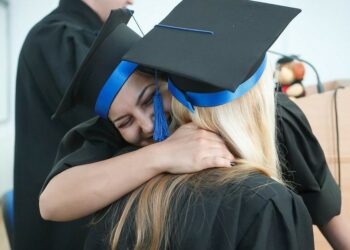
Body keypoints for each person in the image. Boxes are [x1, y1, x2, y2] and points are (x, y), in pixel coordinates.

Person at [41, 0, 348, 248]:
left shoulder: (277, 117)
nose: (147, 125)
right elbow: (52, 203)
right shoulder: (113, 136)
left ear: (170, 78)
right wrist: (162, 155)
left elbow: (327, 212)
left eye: (149, 99)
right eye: (124, 121)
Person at [14, 0, 133, 249]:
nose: (131, 1)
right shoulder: (56, 37)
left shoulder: (69, 37)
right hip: (66, 225)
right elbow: (110, 122)